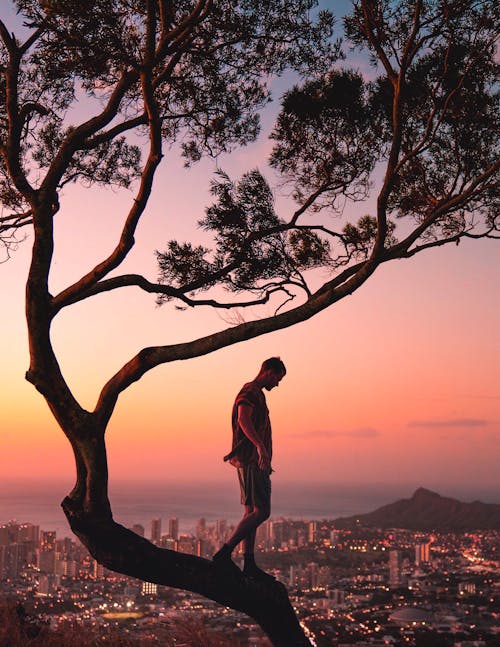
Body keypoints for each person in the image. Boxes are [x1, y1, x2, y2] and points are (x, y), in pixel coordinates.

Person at [212, 357, 286, 580]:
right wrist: (260, 447)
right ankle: (224, 553)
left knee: (250, 513)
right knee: (262, 512)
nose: (277, 384)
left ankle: (249, 563)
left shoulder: (256, 392)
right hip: (252, 460)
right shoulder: (251, 391)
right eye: (277, 378)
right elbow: (244, 419)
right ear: (267, 372)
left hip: (250, 459)